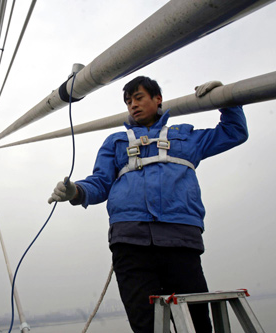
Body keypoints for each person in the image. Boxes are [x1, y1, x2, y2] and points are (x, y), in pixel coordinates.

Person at [48, 76, 248, 333]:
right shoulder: (115, 142)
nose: (133, 104)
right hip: (130, 241)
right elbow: (100, 183)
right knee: (146, 324)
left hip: (180, 238)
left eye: (139, 97)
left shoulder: (186, 136)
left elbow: (234, 132)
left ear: (158, 99)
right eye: (128, 101)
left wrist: (225, 98)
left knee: (195, 321)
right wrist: (76, 191)